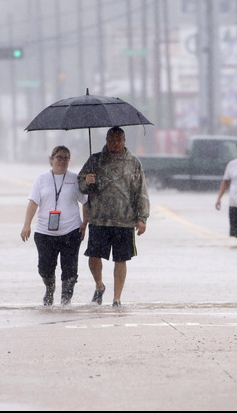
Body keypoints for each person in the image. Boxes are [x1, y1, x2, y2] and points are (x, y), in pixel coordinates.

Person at [78, 126, 150, 308]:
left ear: (124, 141)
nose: (114, 143)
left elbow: (141, 190)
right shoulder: (95, 160)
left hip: (124, 220)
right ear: (106, 141)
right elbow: (80, 184)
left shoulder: (133, 162)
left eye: (118, 140)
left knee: (121, 259)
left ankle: (117, 298)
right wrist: (87, 181)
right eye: (111, 139)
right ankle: (99, 285)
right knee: (94, 256)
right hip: (98, 219)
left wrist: (142, 218)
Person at [21, 146, 89, 306]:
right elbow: (33, 203)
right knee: (45, 268)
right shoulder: (41, 179)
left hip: (71, 231)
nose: (62, 161)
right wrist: (26, 225)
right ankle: (49, 288)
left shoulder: (75, 179)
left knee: (70, 269)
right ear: (51, 159)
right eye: (59, 157)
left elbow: (85, 202)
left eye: (66, 158)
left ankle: (66, 300)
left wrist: (85, 223)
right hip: (45, 232)